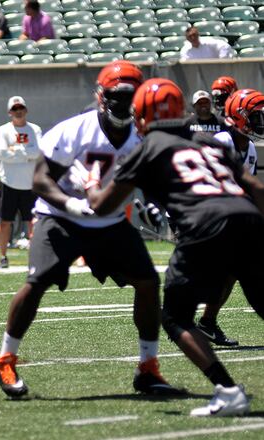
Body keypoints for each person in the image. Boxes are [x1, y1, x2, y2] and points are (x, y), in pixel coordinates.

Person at [0, 61, 181, 398]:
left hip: (108, 220)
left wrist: (159, 206)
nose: (123, 104)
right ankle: (6, 358)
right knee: (37, 281)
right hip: (60, 217)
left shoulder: (144, 134)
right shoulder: (74, 130)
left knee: (148, 282)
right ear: (100, 97)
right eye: (116, 96)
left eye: (130, 97)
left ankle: (148, 367)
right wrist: (71, 204)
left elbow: (153, 177)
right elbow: (40, 179)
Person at [84, 79, 264, 417]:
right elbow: (254, 186)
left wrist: (92, 182)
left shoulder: (148, 145)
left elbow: (104, 206)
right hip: (248, 217)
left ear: (143, 114)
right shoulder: (210, 141)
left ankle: (227, 390)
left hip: (203, 225)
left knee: (176, 317)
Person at [191, 88, 263, 348]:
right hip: (204, 212)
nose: (260, 122)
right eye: (256, 116)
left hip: (228, 215)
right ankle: (182, 321)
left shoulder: (250, 147)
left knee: (231, 272)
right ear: (239, 116)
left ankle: (207, 323)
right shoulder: (220, 141)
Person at [0, 96, 41, 269]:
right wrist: (27, 153)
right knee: (5, 221)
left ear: (26, 110)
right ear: (9, 112)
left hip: (30, 183)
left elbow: (40, 152)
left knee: (33, 222)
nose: (18, 111)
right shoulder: (3, 131)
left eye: (21, 108)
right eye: (15, 109)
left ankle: (35, 257)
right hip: (9, 182)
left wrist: (17, 151)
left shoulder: (34, 129)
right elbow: (1, 154)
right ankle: (3, 256)